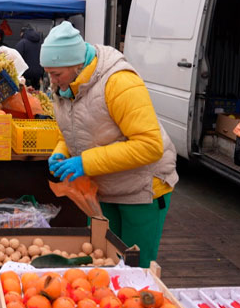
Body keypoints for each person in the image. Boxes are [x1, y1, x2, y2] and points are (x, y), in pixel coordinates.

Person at [42, 21, 178, 267]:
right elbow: (69, 130)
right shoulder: (66, 87)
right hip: (104, 187)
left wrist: (86, 162)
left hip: (142, 190)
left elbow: (149, 145)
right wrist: (61, 152)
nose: (51, 81)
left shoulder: (119, 82)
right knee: (104, 261)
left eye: (56, 74)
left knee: (137, 267)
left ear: (76, 65)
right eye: (49, 73)